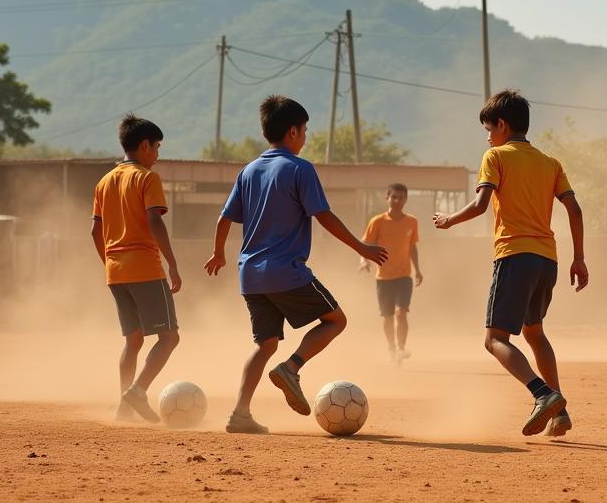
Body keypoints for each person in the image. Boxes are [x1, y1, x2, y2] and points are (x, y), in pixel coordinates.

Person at [205, 95, 387, 434]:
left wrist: (219, 253)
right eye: (304, 131)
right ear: (292, 132)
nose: (304, 137)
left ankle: (240, 414)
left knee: (264, 344)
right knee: (335, 320)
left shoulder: (249, 170)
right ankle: (292, 367)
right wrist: (360, 247)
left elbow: (224, 218)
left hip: (250, 275)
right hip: (284, 270)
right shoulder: (299, 168)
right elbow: (324, 216)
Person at [433, 89, 588, 437]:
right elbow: (574, 209)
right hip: (548, 260)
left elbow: (479, 205)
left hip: (514, 256)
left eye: (489, 129)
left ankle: (543, 394)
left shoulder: (496, 157)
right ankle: (559, 415)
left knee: (494, 339)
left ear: (502, 125)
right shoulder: (550, 162)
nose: (488, 137)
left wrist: (448, 220)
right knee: (534, 332)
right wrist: (579, 258)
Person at [92, 114, 181, 424]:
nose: (157, 155)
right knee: (169, 337)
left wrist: (111, 264)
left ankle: (124, 406)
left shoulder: (104, 182)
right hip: (144, 266)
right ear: (144, 145)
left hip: (115, 272)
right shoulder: (146, 178)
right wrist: (171, 262)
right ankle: (138, 391)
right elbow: (155, 220)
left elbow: (95, 232)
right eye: (156, 147)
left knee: (133, 340)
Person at [361, 183, 423, 364]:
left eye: (401, 197)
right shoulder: (377, 221)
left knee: (401, 313)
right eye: (394, 197)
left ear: (406, 199)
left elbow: (412, 246)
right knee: (387, 316)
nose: (397, 201)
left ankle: (401, 349)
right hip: (383, 278)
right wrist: (364, 261)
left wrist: (418, 270)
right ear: (387, 198)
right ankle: (391, 348)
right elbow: (365, 244)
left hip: (404, 276)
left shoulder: (412, 221)